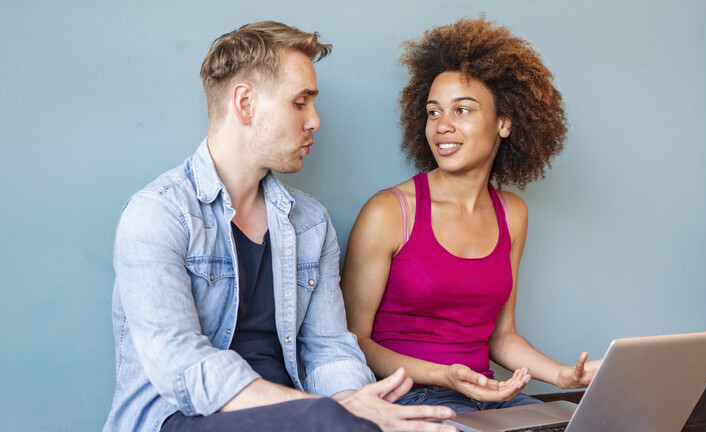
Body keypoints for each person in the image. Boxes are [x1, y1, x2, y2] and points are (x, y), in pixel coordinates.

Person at [103, 21, 457, 432]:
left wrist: (354, 401)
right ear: (245, 103)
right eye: (300, 102)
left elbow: (330, 349)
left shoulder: (310, 222)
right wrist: (323, 411)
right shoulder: (158, 214)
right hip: (181, 419)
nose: (315, 121)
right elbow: (183, 367)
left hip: (297, 418)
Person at [341, 17, 601, 415]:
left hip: (488, 395)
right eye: (433, 112)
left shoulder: (512, 213)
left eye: (462, 110)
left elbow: (502, 337)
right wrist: (444, 375)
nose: (443, 126)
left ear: (504, 122)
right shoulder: (390, 211)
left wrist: (564, 376)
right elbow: (352, 341)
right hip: (409, 397)